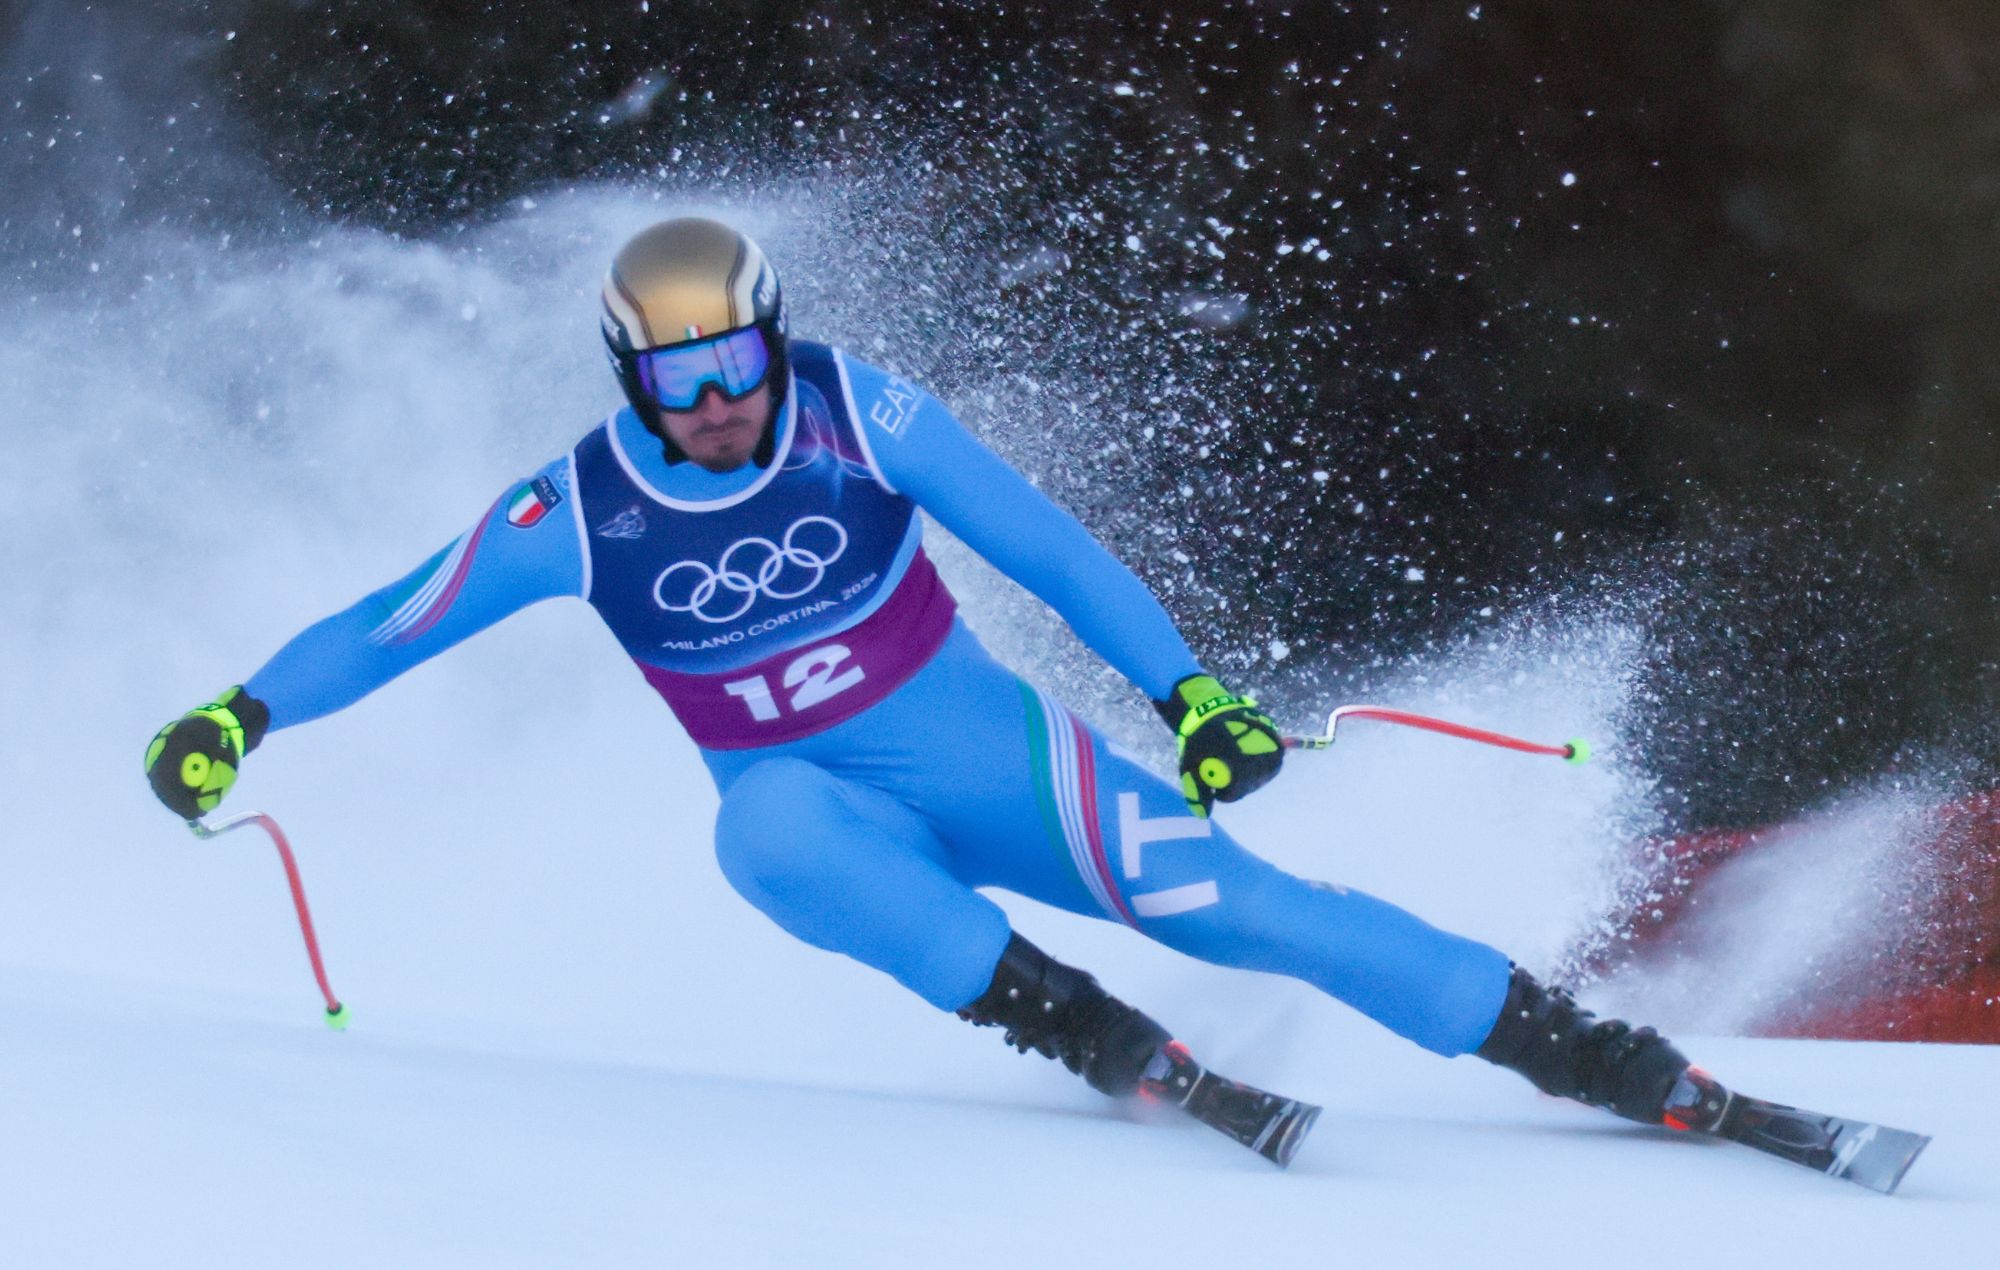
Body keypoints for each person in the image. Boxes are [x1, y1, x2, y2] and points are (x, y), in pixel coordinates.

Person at [145, 216, 1713, 1142]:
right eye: (676, 382)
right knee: (759, 834)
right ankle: (1088, 1032)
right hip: (827, 812)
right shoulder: (580, 506)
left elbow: (1050, 550)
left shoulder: (860, 415)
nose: (716, 407)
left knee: (1252, 911)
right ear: (629, 377)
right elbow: (391, 618)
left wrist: (1191, 694)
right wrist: (243, 710)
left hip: (1003, 765)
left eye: (738, 367)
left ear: (775, 342)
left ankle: (1596, 1056)